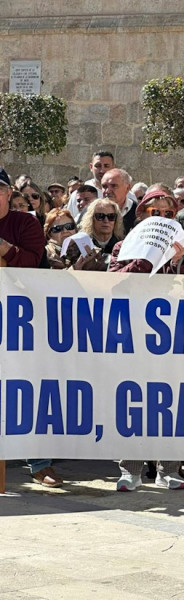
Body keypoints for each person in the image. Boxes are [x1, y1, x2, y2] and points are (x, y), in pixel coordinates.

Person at [109, 187, 184, 491]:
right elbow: (114, 282)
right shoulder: (123, 246)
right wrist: (148, 259)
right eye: (155, 212)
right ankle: (130, 470)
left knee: (171, 399)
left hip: (172, 334)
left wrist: (180, 261)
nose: (162, 217)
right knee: (134, 399)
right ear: (141, 215)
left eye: (168, 213)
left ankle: (169, 470)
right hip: (135, 333)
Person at [0, 170, 52, 485]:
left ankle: (39, 463)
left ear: (9, 193)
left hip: (21, 322)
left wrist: (6, 250)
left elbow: (34, 263)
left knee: (26, 390)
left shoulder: (26, 224)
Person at [100, 168, 138, 234]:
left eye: (114, 186)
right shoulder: (93, 211)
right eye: (104, 186)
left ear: (127, 188)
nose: (108, 191)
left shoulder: (138, 212)